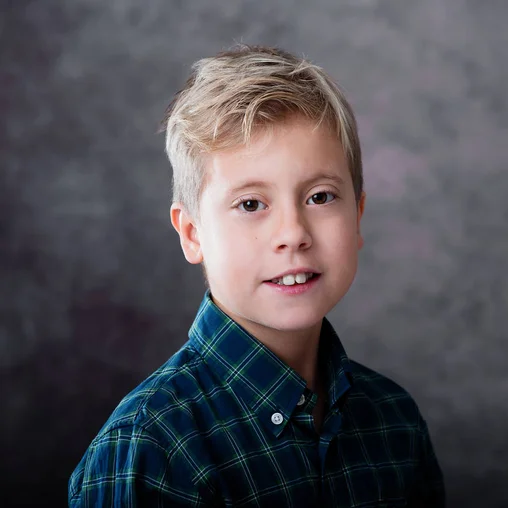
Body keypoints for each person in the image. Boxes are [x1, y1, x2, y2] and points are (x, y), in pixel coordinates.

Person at [68, 44, 445, 507]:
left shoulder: (394, 421)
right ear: (192, 234)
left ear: (359, 215)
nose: (293, 234)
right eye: (251, 204)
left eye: (321, 197)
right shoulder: (151, 449)